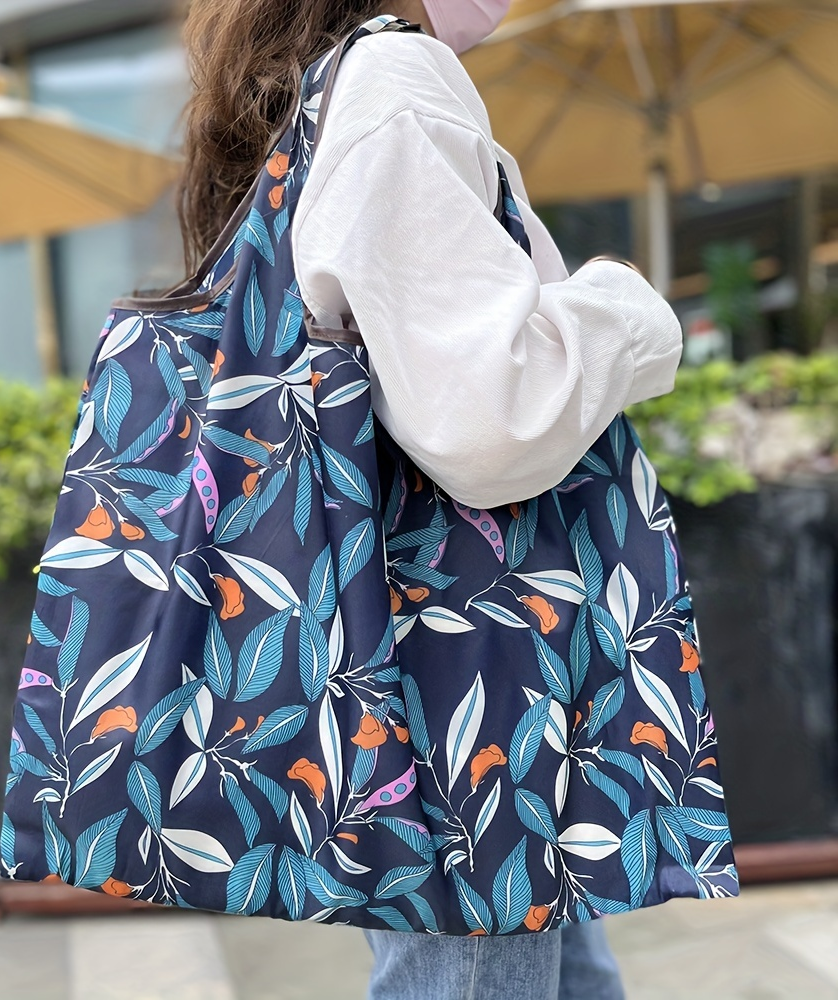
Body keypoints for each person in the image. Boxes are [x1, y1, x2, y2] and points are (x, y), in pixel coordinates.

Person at [177, 4, 689, 996]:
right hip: (462, 659)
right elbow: (488, 418)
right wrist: (622, 299)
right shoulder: (392, 79)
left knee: (541, 960)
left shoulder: (326, 89)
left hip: (408, 640)